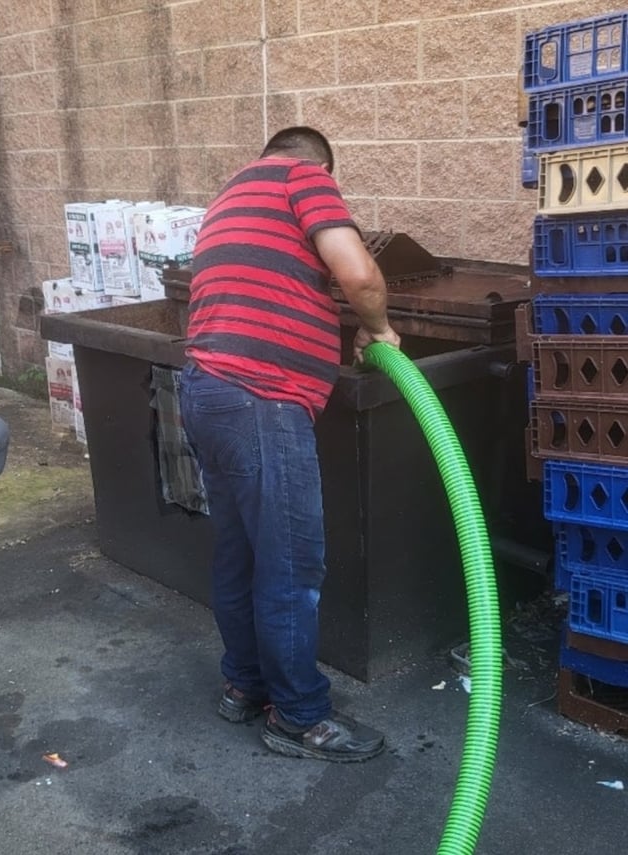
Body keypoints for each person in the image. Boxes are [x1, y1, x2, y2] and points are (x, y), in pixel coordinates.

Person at [178, 126, 401, 763]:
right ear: (320, 163)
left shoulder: (229, 195)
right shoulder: (305, 178)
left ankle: (243, 686)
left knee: (240, 553)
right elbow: (357, 273)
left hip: (206, 388)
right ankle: (300, 718)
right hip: (260, 397)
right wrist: (378, 329)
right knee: (292, 564)